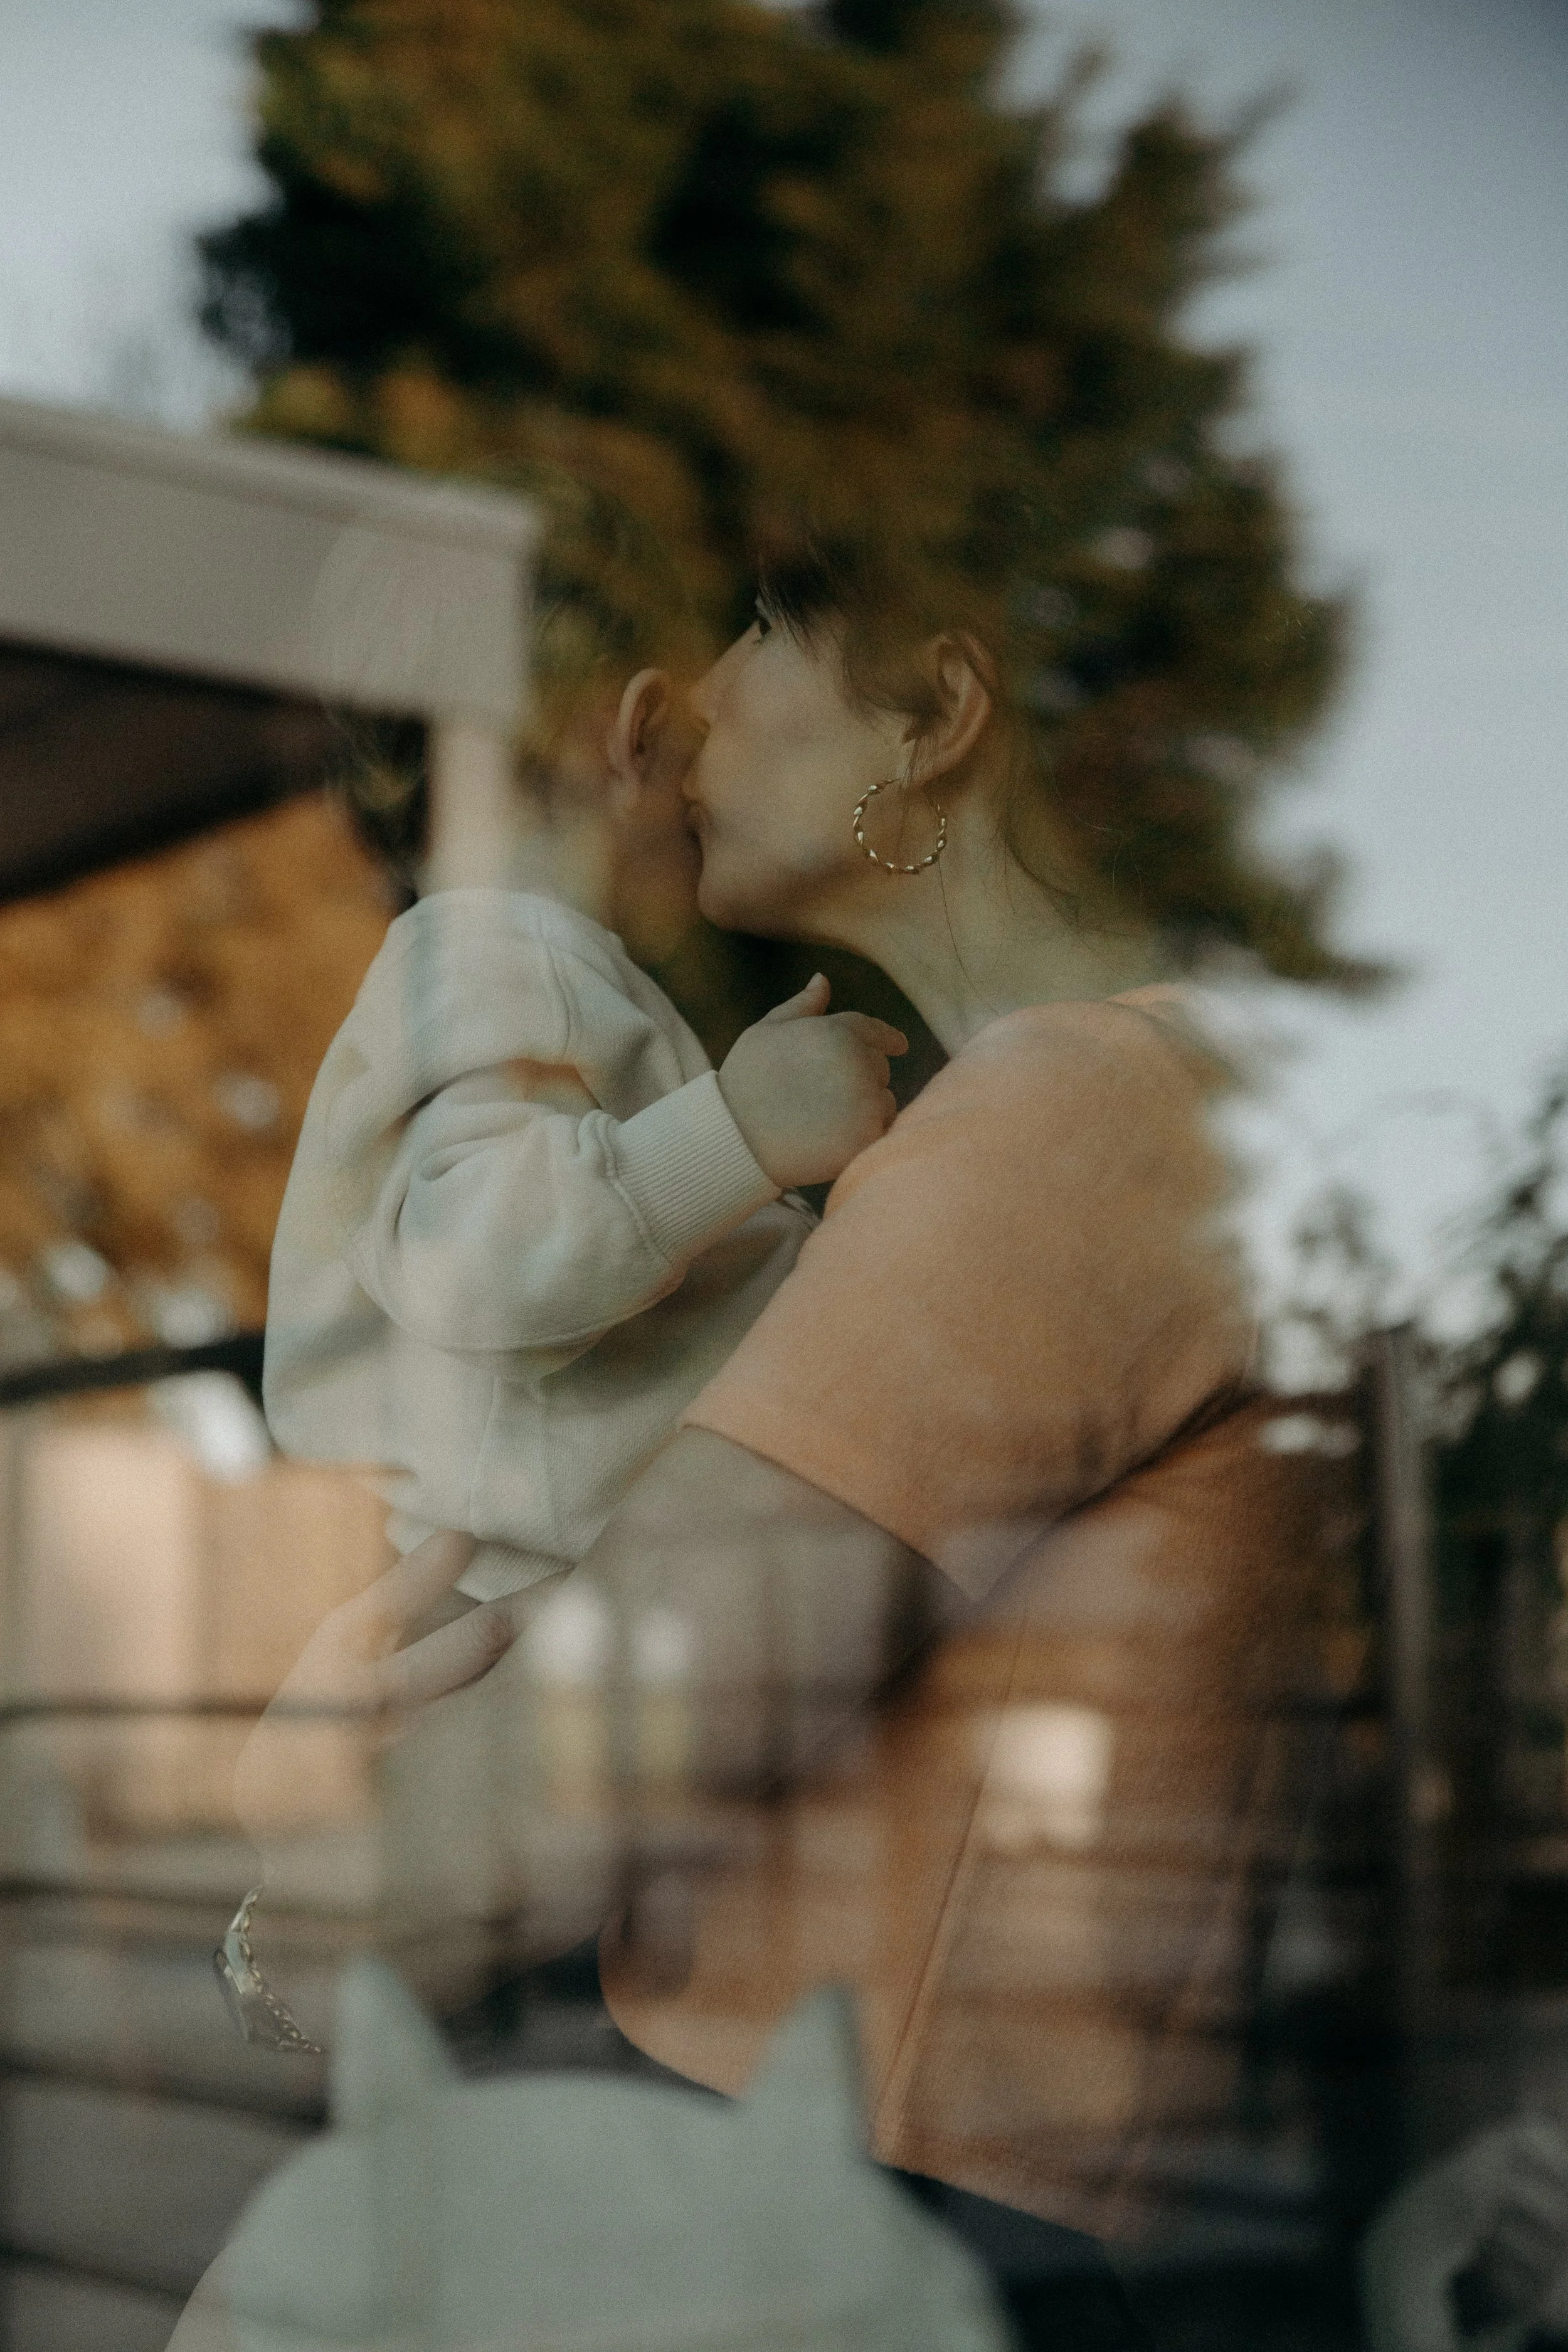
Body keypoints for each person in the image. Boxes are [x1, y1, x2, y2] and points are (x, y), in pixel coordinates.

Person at [238, 536, 1334, 2259]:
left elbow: (544, 1788)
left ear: (942, 714)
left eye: (766, 625)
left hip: (832, 2199)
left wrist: (284, 1888)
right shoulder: (1139, 1110)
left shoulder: (1073, 1111)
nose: (705, 690)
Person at [262, 663, 907, 1604]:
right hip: (536, 1588)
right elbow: (475, 1262)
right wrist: (739, 1132)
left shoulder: (498, 971)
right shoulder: (501, 960)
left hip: (558, 1585)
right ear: (636, 736)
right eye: (696, 755)